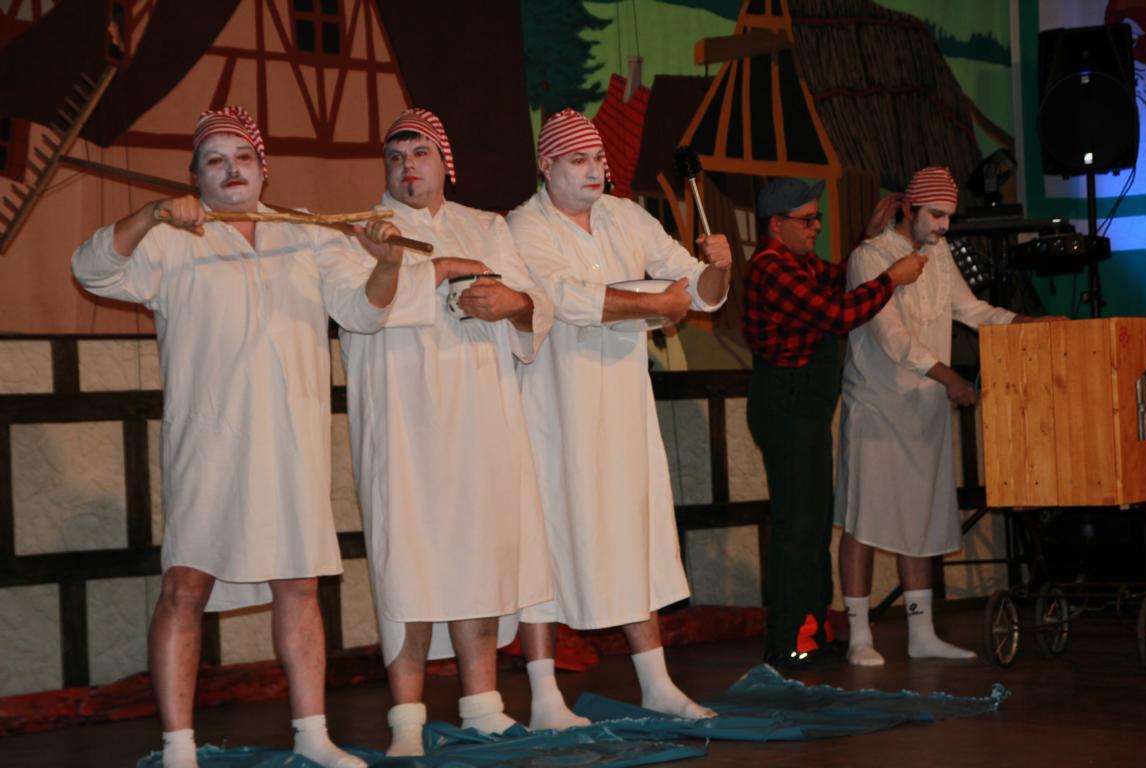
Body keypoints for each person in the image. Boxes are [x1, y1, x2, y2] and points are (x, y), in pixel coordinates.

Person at [71, 106, 399, 768]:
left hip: (291, 439)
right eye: (214, 162)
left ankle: (313, 737)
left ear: (262, 169)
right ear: (195, 175)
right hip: (209, 439)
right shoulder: (171, 238)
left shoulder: (307, 233)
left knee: (298, 583)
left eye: (242, 158)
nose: (231, 171)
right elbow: (91, 269)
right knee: (186, 586)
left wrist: (387, 263)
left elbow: (363, 313)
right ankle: (179, 748)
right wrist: (152, 216)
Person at [338, 108, 553, 756]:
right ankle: (407, 718)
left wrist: (510, 304)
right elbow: (358, 311)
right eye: (396, 157)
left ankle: (482, 705)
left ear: (444, 163)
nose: (408, 168)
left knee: (477, 554)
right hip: (402, 423)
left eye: (420, 155)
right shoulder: (359, 230)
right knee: (407, 564)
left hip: (480, 416)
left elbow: (534, 304)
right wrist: (441, 270)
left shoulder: (487, 226)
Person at [507, 108, 731, 729]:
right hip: (555, 413)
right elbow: (566, 300)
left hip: (625, 409)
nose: (594, 171)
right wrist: (658, 302)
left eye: (599, 159)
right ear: (546, 165)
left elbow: (698, 290)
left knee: (636, 534)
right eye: (578, 160)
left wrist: (718, 267)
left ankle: (656, 684)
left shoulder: (626, 216)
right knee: (547, 544)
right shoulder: (524, 225)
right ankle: (545, 697)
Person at [834, 166, 1054, 666]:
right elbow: (893, 339)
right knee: (864, 520)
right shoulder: (869, 256)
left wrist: (1025, 323)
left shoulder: (940, 253)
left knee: (922, 515)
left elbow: (970, 310)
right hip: (876, 407)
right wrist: (951, 377)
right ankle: (859, 637)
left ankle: (922, 634)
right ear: (907, 208)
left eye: (948, 216)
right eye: (935, 214)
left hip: (925, 409)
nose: (943, 225)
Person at [743, 178, 927, 669]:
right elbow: (839, 313)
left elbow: (840, 276)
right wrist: (892, 278)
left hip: (801, 407)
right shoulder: (771, 268)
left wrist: (866, 240)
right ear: (776, 225)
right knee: (799, 526)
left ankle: (813, 630)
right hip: (787, 406)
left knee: (814, 521)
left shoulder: (798, 262)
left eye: (817, 217)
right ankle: (791, 639)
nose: (817, 227)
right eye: (807, 220)